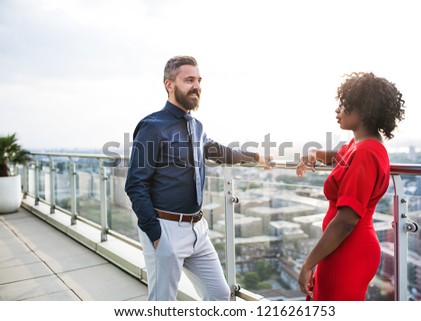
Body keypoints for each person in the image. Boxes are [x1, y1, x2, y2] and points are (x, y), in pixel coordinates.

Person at [125, 55, 268, 301]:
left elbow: (219, 151)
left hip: (198, 230)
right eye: (189, 80)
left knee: (220, 296)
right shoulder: (153, 126)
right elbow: (135, 184)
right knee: (162, 304)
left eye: (199, 80)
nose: (197, 86)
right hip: (165, 228)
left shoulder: (196, 126)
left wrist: (254, 156)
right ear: (169, 85)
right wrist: (155, 234)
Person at [296, 72, 406, 301]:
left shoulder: (366, 152)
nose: (338, 111)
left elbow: (346, 220)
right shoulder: (361, 146)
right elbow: (342, 156)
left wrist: (308, 263)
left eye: (344, 105)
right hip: (341, 248)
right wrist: (315, 154)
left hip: (348, 250)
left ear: (363, 109)